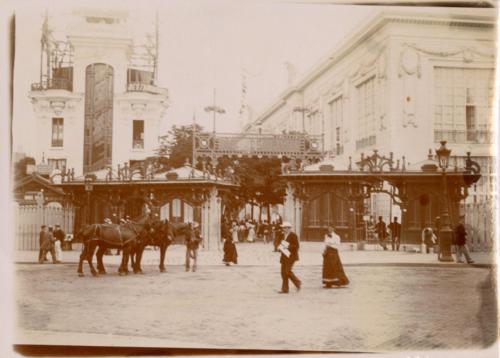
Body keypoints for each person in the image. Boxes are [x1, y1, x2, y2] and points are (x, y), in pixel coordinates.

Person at [277, 221, 301, 294]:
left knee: (287, 271)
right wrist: (279, 247)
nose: (283, 229)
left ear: (289, 228)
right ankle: (285, 289)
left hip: (291, 256)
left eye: (285, 228)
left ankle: (297, 282)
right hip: (284, 256)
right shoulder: (282, 235)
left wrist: (287, 246)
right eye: (283, 228)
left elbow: (296, 246)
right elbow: (278, 242)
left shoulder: (293, 235)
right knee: (283, 272)